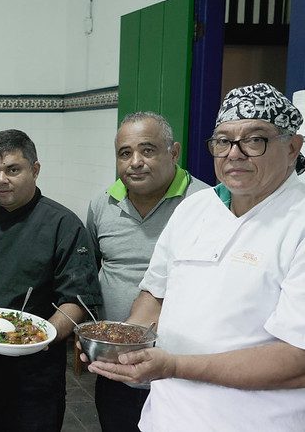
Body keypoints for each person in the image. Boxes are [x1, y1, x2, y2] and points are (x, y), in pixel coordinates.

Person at [88, 83, 305, 431]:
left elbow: (298, 360)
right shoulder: (195, 209)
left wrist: (173, 365)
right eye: (223, 141)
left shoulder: (298, 221)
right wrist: (121, 344)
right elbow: (154, 296)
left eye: (254, 140)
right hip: (165, 417)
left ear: (292, 146)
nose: (234, 154)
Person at [0, 129, 102, 431]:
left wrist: (40, 336)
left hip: (33, 376)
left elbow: (76, 299)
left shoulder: (62, 225)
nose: (1, 180)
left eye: (13, 170)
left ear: (35, 169)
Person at [85, 112, 208, 431]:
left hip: (179, 370)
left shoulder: (206, 205)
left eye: (148, 150)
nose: (135, 162)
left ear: (174, 152)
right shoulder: (102, 205)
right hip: (116, 367)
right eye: (125, 153)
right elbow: (92, 270)